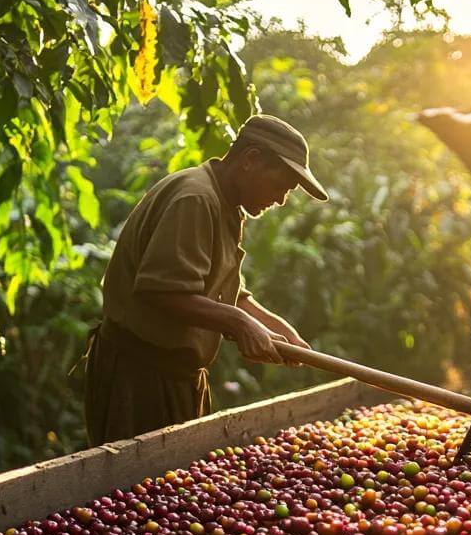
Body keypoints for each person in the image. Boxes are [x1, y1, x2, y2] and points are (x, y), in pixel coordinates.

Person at [83, 115, 327, 445]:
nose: (281, 200)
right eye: (280, 186)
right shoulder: (195, 199)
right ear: (251, 159)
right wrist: (240, 324)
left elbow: (227, 293)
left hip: (177, 376)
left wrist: (280, 330)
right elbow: (163, 290)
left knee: (176, 487)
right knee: (141, 490)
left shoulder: (226, 205)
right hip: (140, 376)